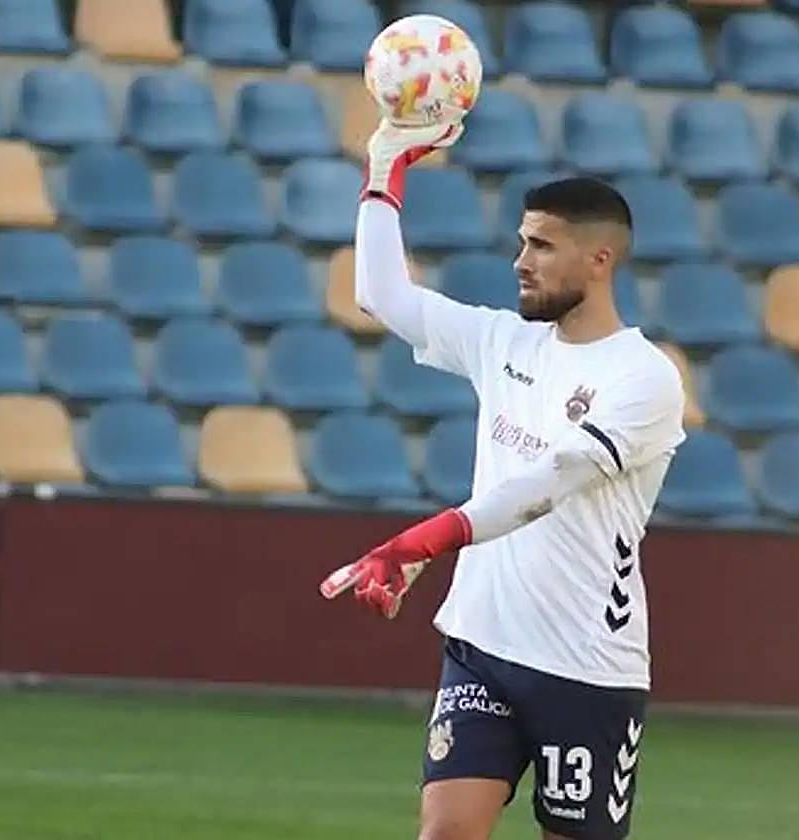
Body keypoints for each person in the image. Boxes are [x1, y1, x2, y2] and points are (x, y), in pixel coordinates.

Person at [319, 118, 686, 840]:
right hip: (481, 646)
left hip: (586, 667)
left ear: (599, 259)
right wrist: (384, 169)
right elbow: (383, 297)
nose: (521, 259)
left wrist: (422, 542)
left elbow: (551, 478)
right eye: (522, 240)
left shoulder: (643, 378)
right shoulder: (502, 341)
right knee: (444, 832)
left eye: (542, 245)